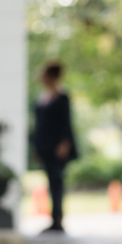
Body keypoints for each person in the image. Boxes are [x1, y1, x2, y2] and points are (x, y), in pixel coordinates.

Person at [33, 62, 78, 233]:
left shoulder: (62, 97)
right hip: (44, 146)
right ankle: (54, 218)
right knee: (51, 182)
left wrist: (64, 144)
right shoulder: (42, 98)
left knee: (57, 182)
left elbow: (66, 123)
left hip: (57, 148)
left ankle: (57, 219)